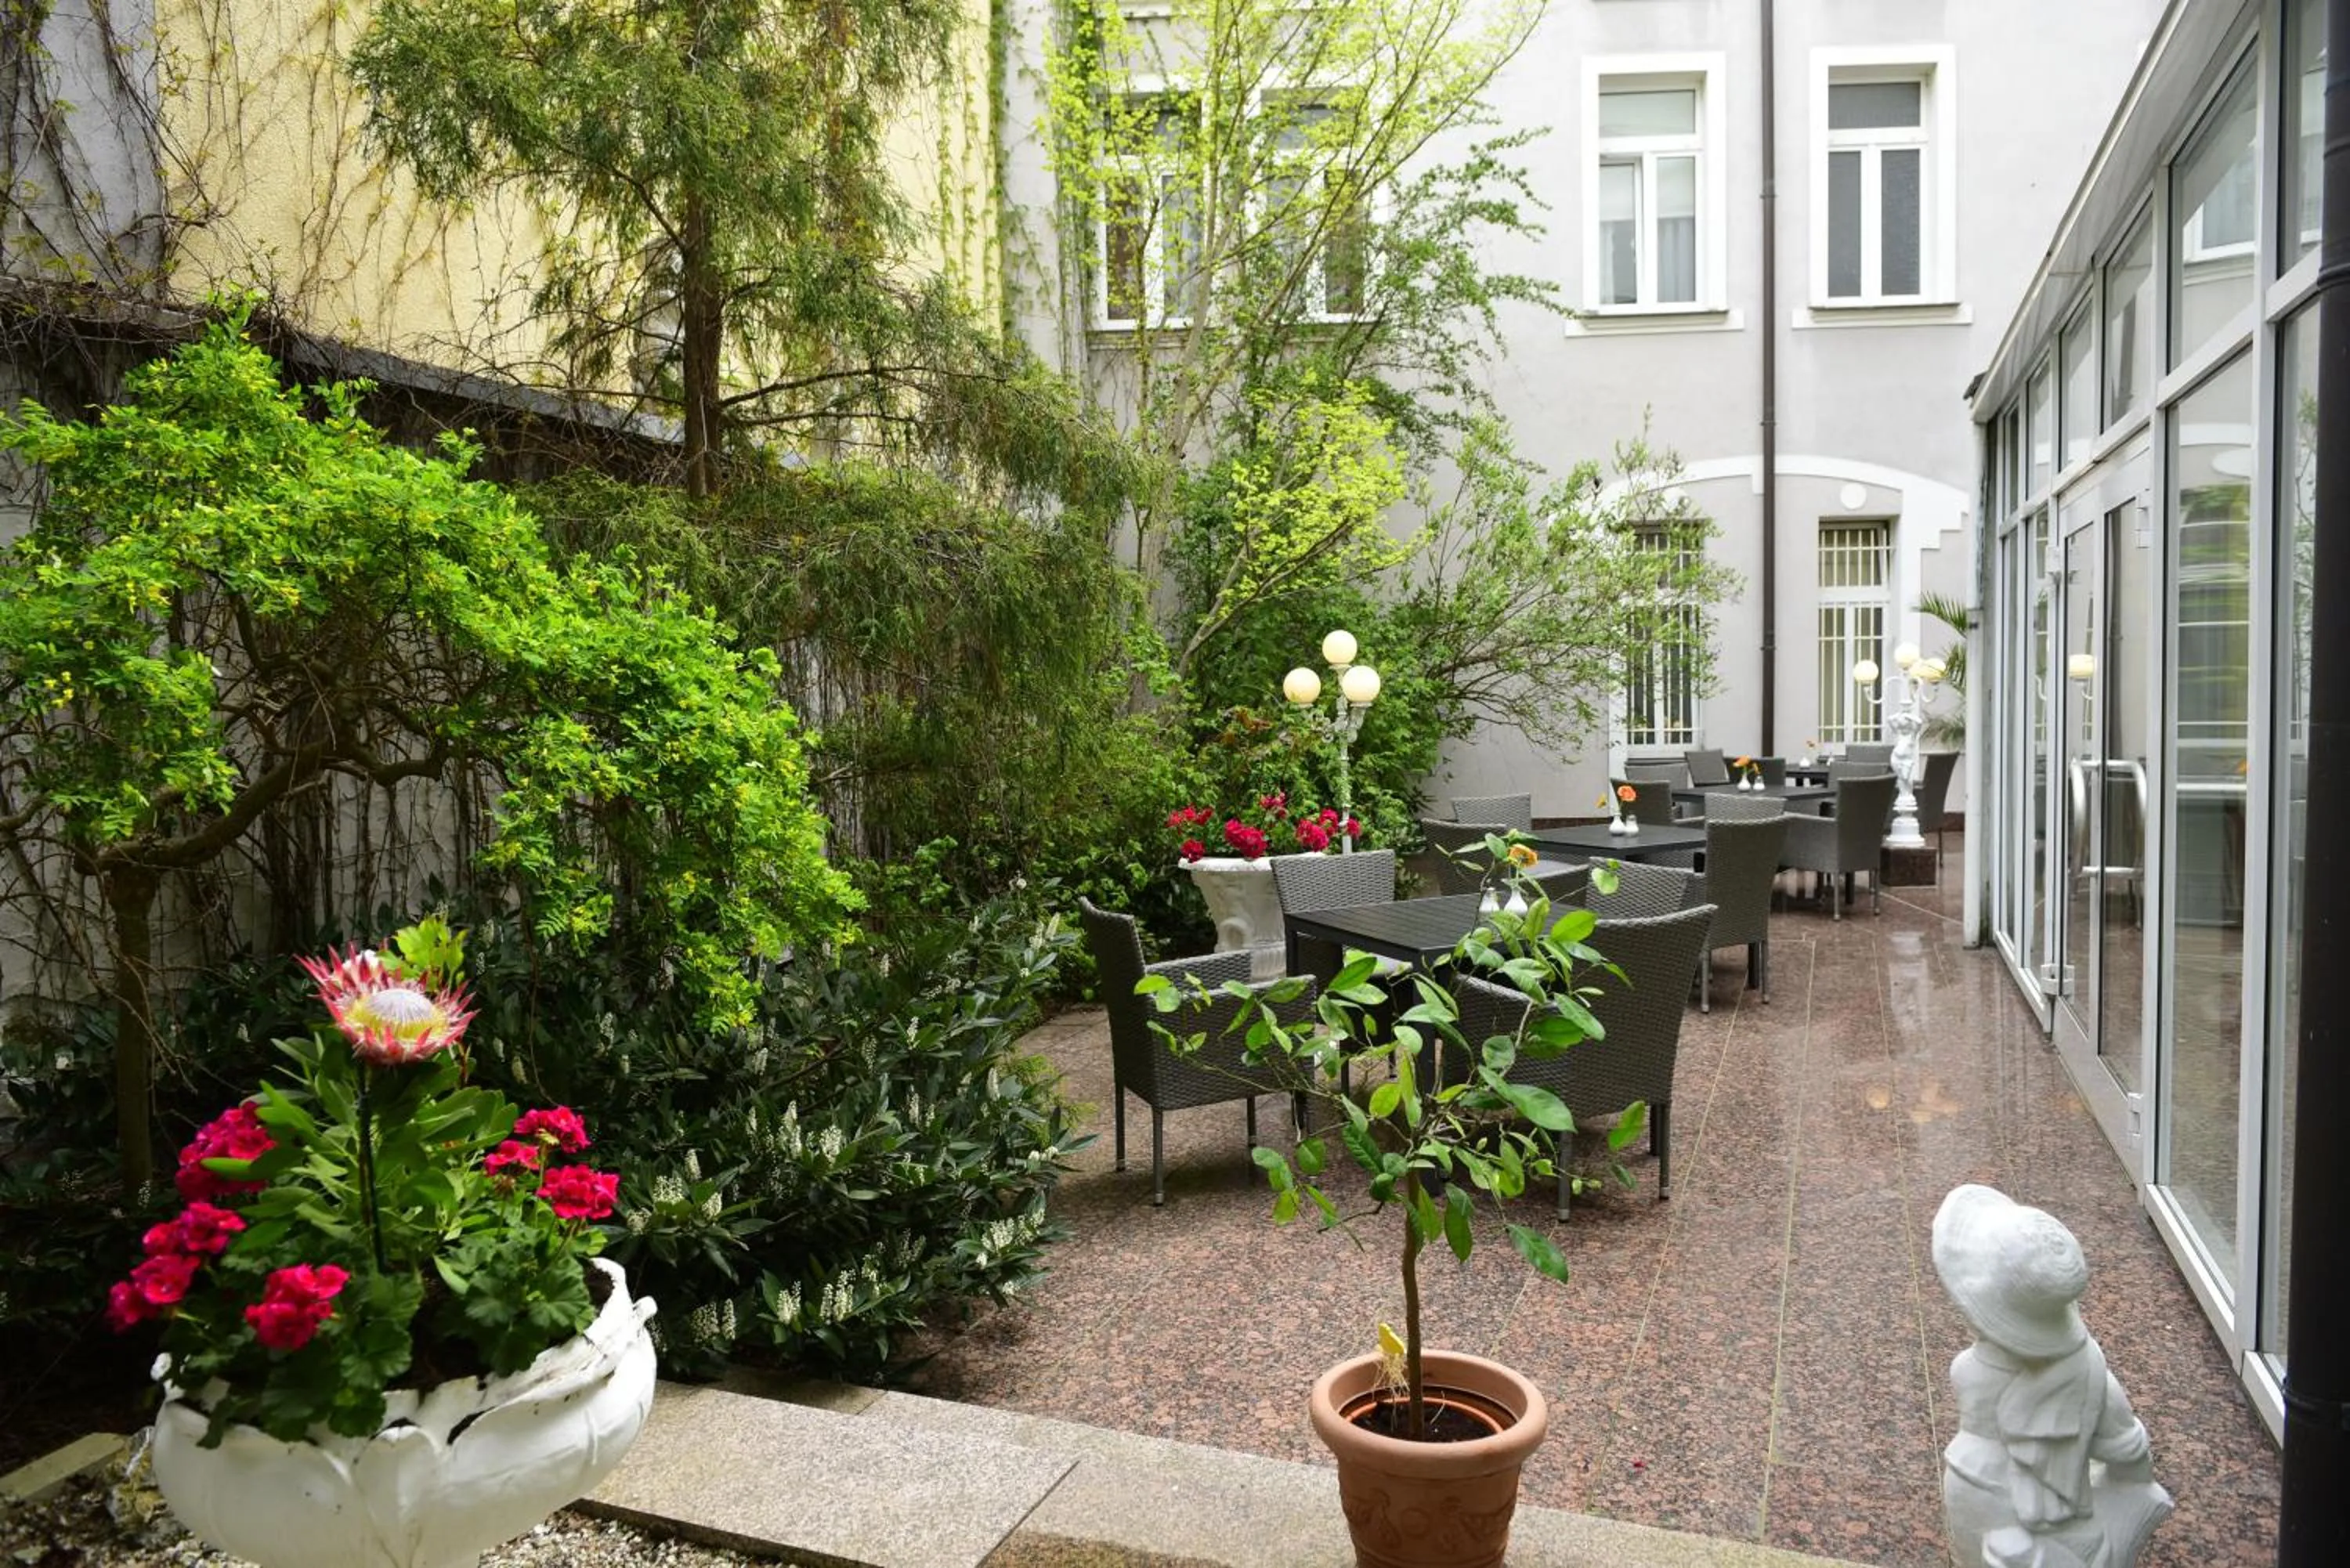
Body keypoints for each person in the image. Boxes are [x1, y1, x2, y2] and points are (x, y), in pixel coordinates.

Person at [1932, 1185, 2173, 1568]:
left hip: (1968, 1493)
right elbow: (2132, 1463)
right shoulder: (2094, 1379)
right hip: (2035, 1522)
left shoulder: (1967, 1369)